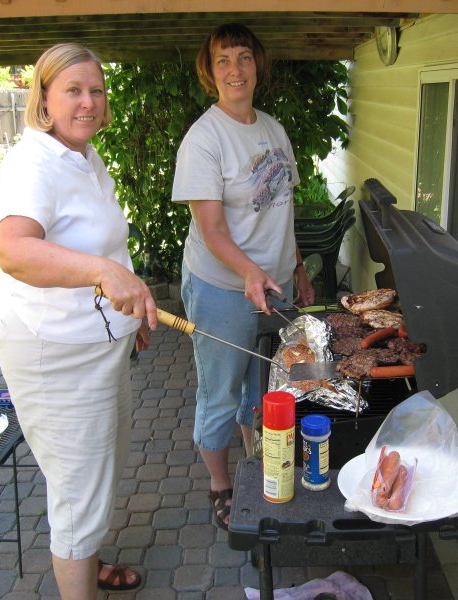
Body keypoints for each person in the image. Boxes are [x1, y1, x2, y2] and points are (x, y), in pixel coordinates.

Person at [0, 43, 156, 598]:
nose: (89, 102)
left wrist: (130, 311)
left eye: (97, 90)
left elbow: (106, 245)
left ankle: (88, 560)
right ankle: (78, 578)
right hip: (56, 357)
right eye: (73, 90)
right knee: (77, 492)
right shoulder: (31, 163)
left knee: (96, 475)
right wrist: (106, 274)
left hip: (100, 346)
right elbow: (14, 251)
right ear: (43, 98)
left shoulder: (85, 158)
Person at [171, 23, 314, 529]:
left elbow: (283, 207)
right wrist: (252, 273)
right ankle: (220, 484)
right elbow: (211, 231)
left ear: (258, 65)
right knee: (222, 388)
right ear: (210, 73)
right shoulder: (204, 140)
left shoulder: (273, 129)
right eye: (224, 60)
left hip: (270, 286)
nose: (236, 69)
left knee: (266, 384)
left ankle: (257, 467)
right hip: (223, 288)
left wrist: (296, 268)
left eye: (244, 58)